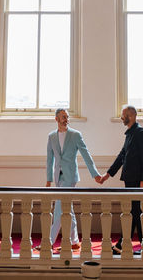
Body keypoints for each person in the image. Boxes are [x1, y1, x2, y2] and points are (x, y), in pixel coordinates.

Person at [95, 105, 143, 255]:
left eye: (124, 115)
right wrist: (107, 175)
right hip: (129, 181)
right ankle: (124, 244)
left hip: (138, 182)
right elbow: (122, 156)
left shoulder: (141, 133)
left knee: (142, 212)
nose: (122, 118)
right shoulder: (130, 134)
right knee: (133, 212)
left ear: (132, 116)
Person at [41, 108, 101, 252]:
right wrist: (49, 179)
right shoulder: (51, 136)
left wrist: (95, 174)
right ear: (56, 119)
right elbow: (50, 159)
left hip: (70, 177)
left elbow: (86, 155)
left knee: (59, 209)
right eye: (63, 116)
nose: (66, 119)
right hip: (58, 177)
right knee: (68, 208)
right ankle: (74, 241)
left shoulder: (75, 135)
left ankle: (48, 242)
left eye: (67, 116)